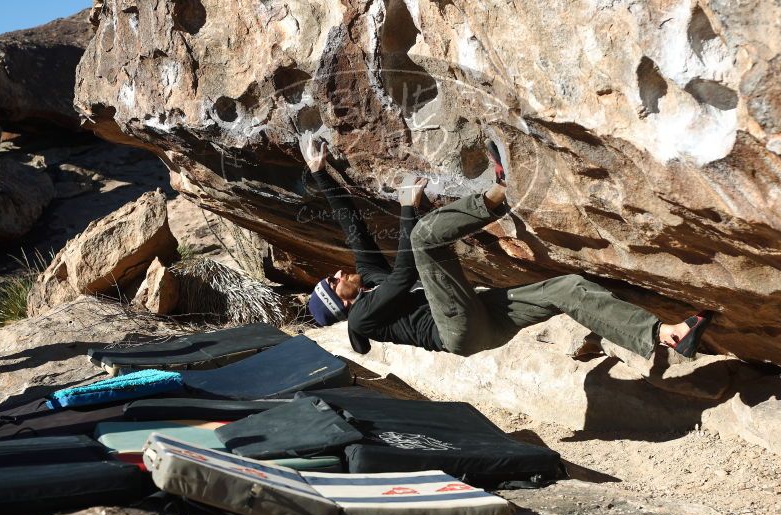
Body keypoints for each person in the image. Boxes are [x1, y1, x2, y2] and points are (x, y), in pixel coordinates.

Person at [302, 136, 713, 359]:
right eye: (333, 282)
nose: (339, 273)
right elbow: (408, 273)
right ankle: (498, 192)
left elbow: (352, 227)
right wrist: (408, 208)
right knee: (424, 235)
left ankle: (667, 335)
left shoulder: (368, 282)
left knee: (567, 288)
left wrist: (320, 175)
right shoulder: (364, 318)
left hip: (481, 319)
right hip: (457, 331)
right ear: (342, 303)